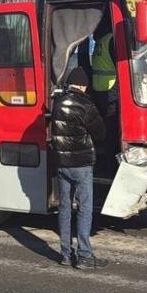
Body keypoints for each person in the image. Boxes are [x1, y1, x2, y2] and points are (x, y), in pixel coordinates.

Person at [50, 67, 108, 269]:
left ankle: (66, 254)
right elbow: (100, 132)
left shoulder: (57, 103)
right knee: (84, 209)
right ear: (83, 85)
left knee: (65, 208)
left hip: (62, 164)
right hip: (81, 164)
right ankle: (84, 255)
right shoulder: (85, 105)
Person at [91, 16, 119, 172]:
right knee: (113, 133)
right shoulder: (112, 40)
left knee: (108, 130)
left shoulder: (100, 40)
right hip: (112, 91)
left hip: (100, 89)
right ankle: (111, 167)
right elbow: (122, 65)